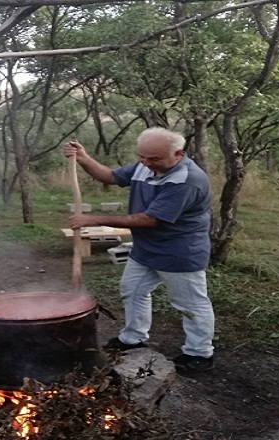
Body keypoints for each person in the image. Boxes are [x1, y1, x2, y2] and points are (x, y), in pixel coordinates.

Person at [64, 127, 215, 373]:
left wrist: (93, 219)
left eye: (154, 158)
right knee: (132, 291)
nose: (146, 163)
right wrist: (83, 158)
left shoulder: (187, 180)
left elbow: (150, 220)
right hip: (146, 249)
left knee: (190, 303)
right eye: (142, 157)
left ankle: (199, 353)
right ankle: (132, 339)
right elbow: (111, 176)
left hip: (179, 252)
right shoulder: (146, 165)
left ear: (178, 154)